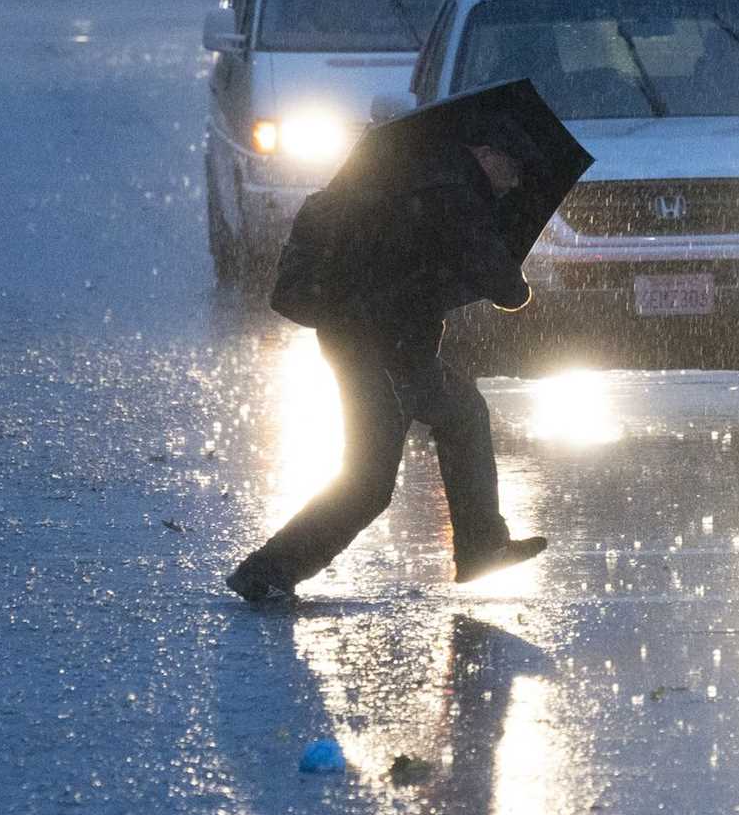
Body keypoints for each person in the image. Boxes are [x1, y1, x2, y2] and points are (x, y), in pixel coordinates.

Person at [226, 121, 547, 603]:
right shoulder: (453, 196)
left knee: (463, 413)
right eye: (512, 169)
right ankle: (267, 570)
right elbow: (507, 290)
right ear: (485, 153)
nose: (515, 182)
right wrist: (508, 269)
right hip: (373, 346)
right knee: (369, 481)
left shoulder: (418, 178)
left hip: (389, 341)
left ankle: (482, 545)